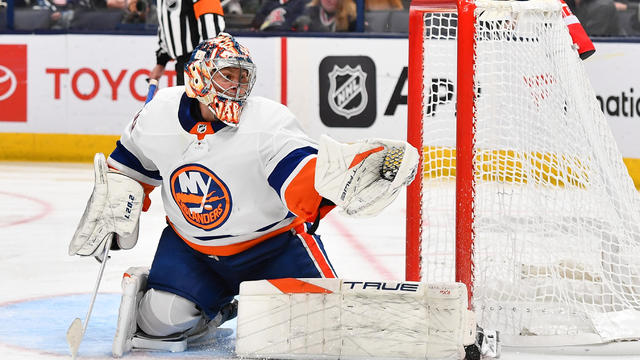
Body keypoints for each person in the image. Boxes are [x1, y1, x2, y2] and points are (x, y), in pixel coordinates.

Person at [68, 32, 418, 356]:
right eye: (227, 75)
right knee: (159, 322)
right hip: (192, 251)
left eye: (242, 77)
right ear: (200, 77)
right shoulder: (159, 111)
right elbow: (130, 166)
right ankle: (213, 308)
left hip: (273, 248)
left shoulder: (268, 121)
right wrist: (116, 203)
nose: (236, 86)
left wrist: (334, 179)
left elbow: (298, 175)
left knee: (316, 331)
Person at [149, 0, 225, 85]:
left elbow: (211, 26)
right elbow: (166, 23)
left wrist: (205, 61)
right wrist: (161, 62)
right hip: (184, 65)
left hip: (201, 64)